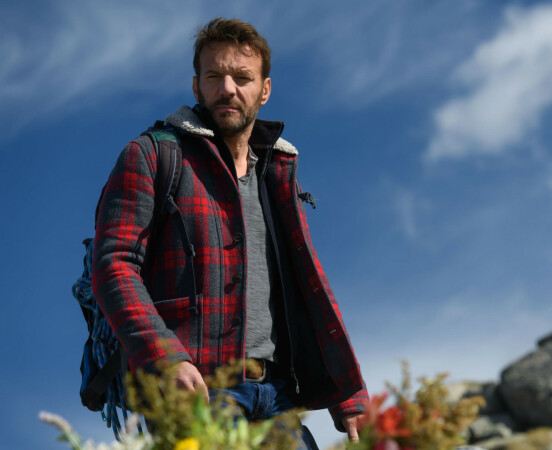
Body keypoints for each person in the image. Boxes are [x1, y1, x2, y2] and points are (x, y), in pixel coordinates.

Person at [92, 17, 368, 446]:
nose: (227, 89)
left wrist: (347, 392)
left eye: (242, 77)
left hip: (278, 394)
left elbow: (308, 289)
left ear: (264, 89)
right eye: (214, 76)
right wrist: (166, 358)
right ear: (196, 86)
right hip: (197, 389)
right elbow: (114, 264)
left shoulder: (277, 175)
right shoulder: (151, 154)